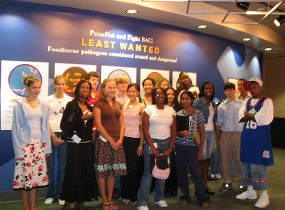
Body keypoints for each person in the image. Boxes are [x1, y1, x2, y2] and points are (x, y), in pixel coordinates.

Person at [12, 76, 51, 210]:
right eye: (34, 87)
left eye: (39, 87)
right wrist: (18, 151)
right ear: (27, 88)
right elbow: (15, 129)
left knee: (36, 179)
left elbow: (45, 127)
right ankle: (25, 207)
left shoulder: (44, 105)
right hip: (24, 146)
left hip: (39, 146)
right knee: (24, 179)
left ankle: (33, 207)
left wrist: (46, 148)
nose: (37, 90)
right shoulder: (19, 105)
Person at [236, 78, 274, 209]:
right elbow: (240, 117)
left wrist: (250, 116)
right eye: (250, 87)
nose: (252, 89)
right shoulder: (247, 101)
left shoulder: (267, 101)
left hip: (260, 139)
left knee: (259, 165)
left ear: (260, 87)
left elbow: (264, 119)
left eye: (255, 87)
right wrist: (254, 116)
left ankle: (264, 195)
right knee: (246, 164)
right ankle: (251, 191)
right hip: (247, 138)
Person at [60, 80, 98, 210]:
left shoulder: (91, 107)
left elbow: (90, 127)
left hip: (87, 144)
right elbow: (64, 126)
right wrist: (81, 119)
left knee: (84, 172)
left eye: (88, 88)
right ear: (78, 89)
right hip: (74, 143)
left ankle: (80, 200)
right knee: (73, 171)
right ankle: (67, 201)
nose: (85, 90)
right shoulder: (71, 105)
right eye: (83, 87)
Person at [137, 88, 176, 210]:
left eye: (162, 93)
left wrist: (170, 147)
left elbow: (174, 130)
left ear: (165, 96)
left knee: (162, 172)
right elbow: (145, 130)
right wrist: (152, 147)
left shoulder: (171, 110)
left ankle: (159, 198)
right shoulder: (148, 110)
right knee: (148, 173)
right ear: (154, 96)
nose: (160, 95)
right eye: (157, 94)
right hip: (151, 143)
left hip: (166, 144)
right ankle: (141, 202)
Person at [94, 78, 127, 210]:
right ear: (103, 89)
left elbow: (122, 123)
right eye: (109, 87)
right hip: (104, 141)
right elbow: (98, 125)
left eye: (114, 87)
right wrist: (110, 140)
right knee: (103, 172)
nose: (112, 89)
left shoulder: (118, 104)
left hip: (117, 141)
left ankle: (110, 198)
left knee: (113, 171)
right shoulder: (98, 104)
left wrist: (120, 139)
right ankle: (105, 200)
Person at [175, 91, 209, 206]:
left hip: (193, 148)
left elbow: (202, 132)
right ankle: (185, 196)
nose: (185, 101)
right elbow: (174, 131)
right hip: (179, 147)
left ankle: (202, 197)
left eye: (187, 99)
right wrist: (180, 132)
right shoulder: (178, 114)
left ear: (192, 100)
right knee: (181, 173)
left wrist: (200, 150)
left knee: (196, 173)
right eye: (183, 99)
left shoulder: (198, 113)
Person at [44, 75, 71, 206]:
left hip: (64, 136)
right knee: (50, 167)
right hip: (50, 135)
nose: (60, 86)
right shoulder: (47, 100)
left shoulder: (69, 101)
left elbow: (70, 121)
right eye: (58, 84)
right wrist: (53, 136)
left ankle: (61, 194)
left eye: (63, 84)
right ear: (54, 85)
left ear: (66, 85)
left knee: (62, 168)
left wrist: (63, 136)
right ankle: (50, 194)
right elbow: (44, 120)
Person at [216, 82, 243, 193]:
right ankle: (227, 182)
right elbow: (218, 124)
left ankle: (243, 183)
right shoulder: (221, 106)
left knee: (239, 159)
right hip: (225, 135)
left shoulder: (242, 104)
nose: (229, 92)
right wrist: (218, 138)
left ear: (234, 90)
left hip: (238, 134)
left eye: (231, 89)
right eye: (227, 90)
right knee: (225, 159)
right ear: (224, 91)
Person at [120, 84, 145, 204]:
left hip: (134, 140)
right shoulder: (124, 104)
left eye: (133, 91)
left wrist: (141, 145)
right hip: (123, 139)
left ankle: (133, 196)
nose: (130, 93)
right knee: (124, 168)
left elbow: (143, 128)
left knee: (134, 169)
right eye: (129, 91)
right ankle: (125, 194)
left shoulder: (141, 106)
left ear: (138, 93)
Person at [193, 81, 217, 195]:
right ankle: (199, 188)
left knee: (207, 160)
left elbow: (214, 119)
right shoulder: (198, 102)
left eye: (210, 88)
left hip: (211, 133)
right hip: (202, 133)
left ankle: (204, 185)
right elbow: (192, 117)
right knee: (201, 160)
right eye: (206, 88)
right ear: (202, 90)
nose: (208, 90)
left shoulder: (213, 103)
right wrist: (195, 133)